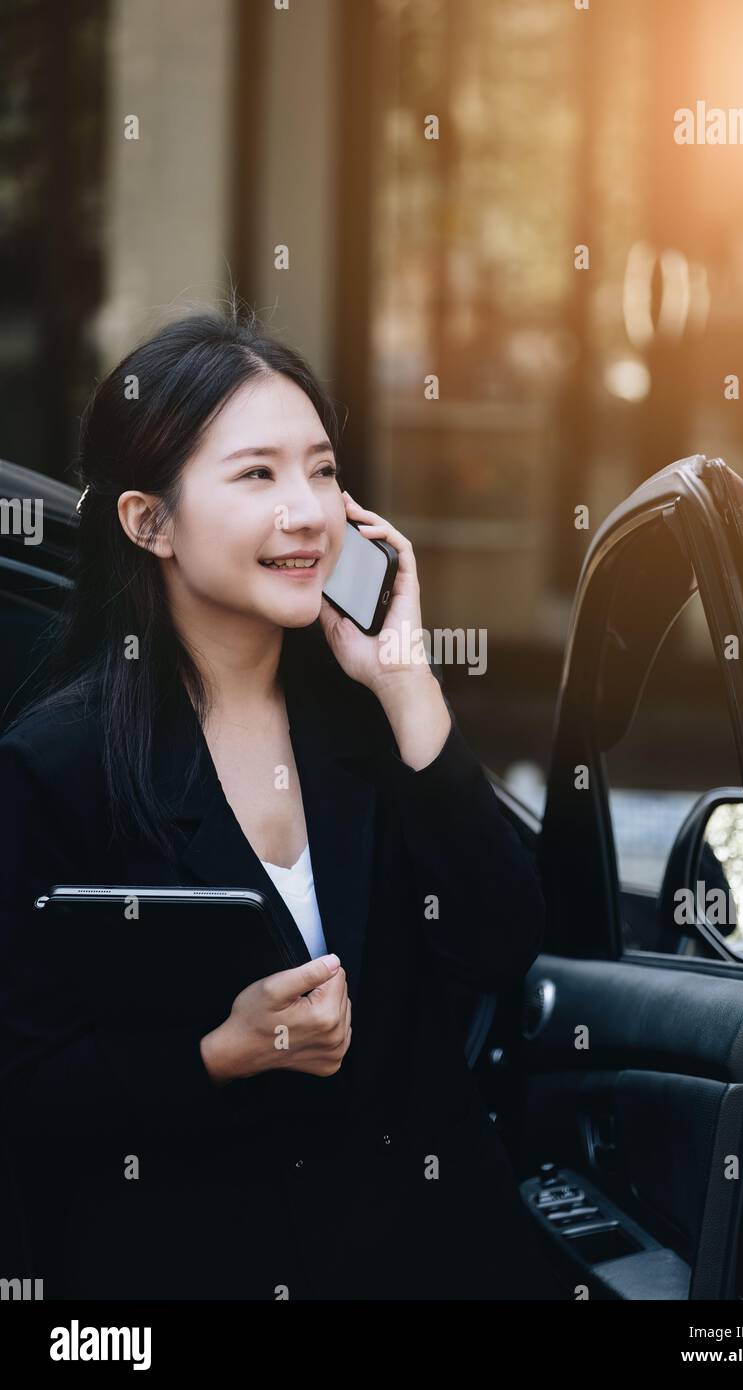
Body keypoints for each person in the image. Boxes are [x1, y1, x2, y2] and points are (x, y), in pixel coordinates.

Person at [0, 305, 568, 1300]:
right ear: (150, 521)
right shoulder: (58, 764)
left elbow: (499, 937)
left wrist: (405, 678)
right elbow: (30, 1091)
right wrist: (217, 1054)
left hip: (430, 1259)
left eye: (321, 469)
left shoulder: (365, 715)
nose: (306, 510)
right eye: (256, 474)